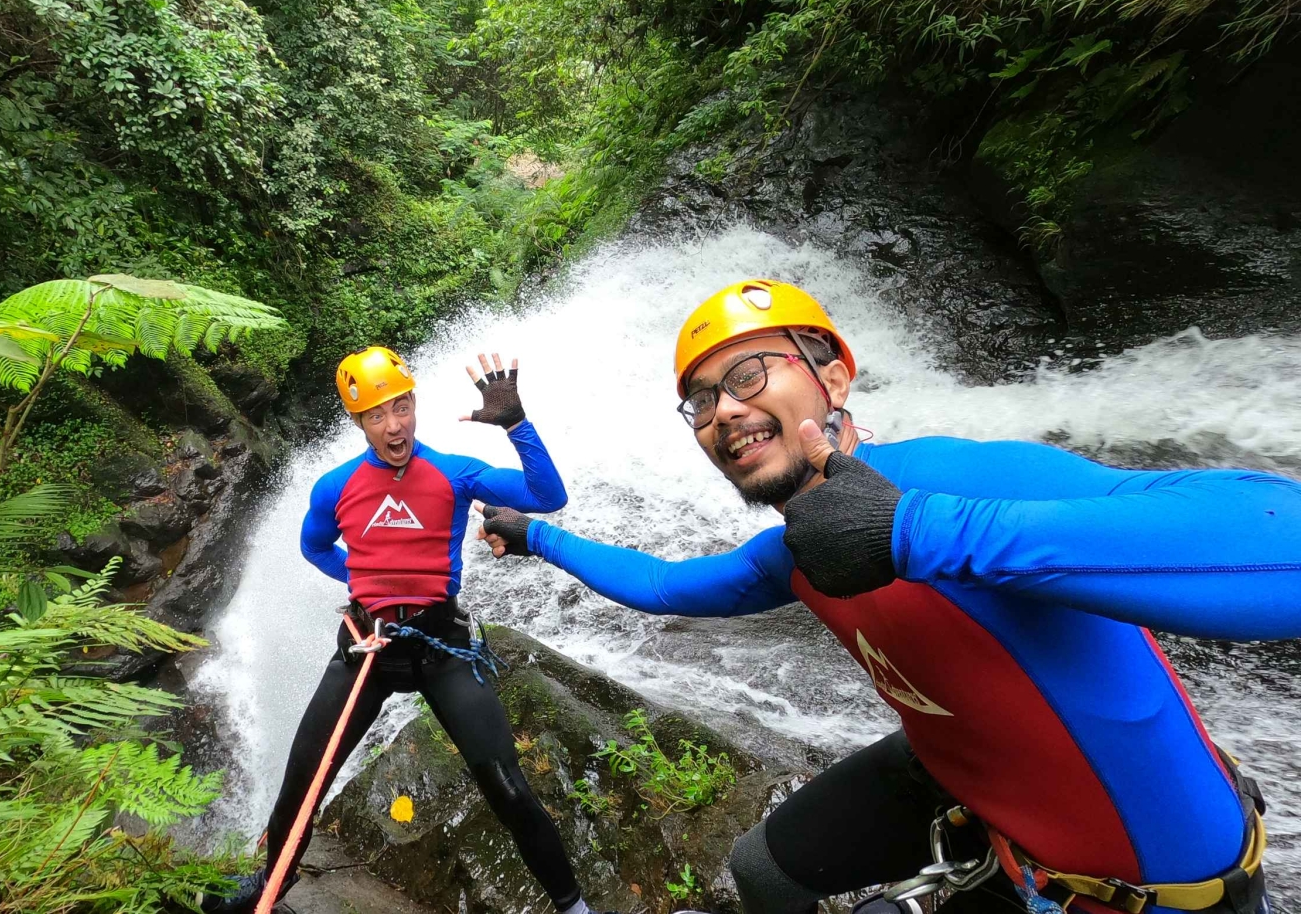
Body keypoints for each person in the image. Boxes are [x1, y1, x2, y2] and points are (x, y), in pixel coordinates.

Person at [477, 279, 1299, 914]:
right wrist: (535, 534)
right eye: (700, 399)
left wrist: (911, 530)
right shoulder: (794, 553)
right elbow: (664, 585)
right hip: (974, 792)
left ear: (835, 378)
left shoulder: (957, 482)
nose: (724, 409)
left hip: (1161, 881)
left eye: (750, 373)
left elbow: (1277, 537)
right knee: (764, 869)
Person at [203, 346, 601, 914]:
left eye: (402, 407)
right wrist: (366, 581)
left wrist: (516, 424)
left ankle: (572, 907)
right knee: (303, 779)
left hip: (443, 645)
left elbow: (548, 497)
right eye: (376, 415)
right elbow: (312, 545)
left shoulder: (454, 473)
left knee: (507, 786)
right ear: (359, 421)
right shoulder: (334, 486)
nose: (393, 426)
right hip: (367, 647)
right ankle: (273, 886)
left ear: (415, 404)